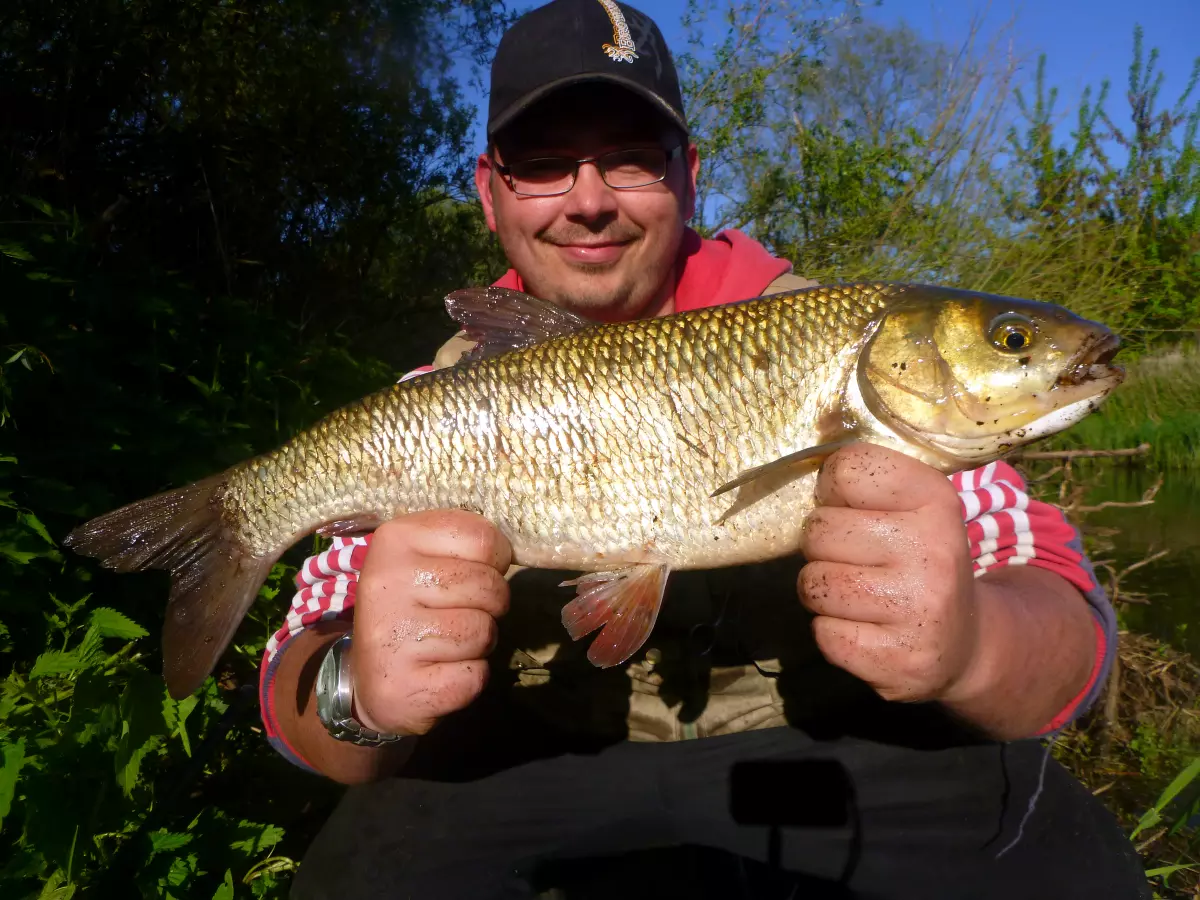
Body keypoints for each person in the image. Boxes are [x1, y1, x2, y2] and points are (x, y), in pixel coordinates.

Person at [257, 2, 1150, 897]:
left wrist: (972, 650)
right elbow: (299, 674)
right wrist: (360, 697)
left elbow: (1062, 617)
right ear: (490, 192)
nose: (591, 199)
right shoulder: (444, 403)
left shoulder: (836, 345)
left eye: (632, 157)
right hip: (538, 759)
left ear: (689, 176)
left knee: (1067, 865)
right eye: (542, 166)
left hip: (822, 751)